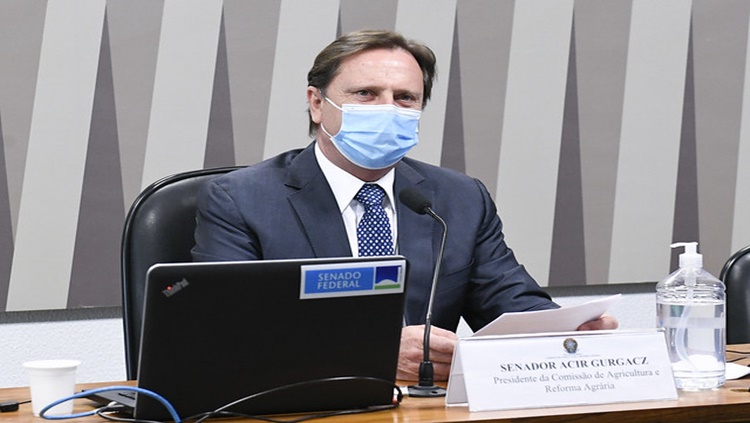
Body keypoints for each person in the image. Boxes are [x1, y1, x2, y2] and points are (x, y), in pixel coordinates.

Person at [192, 29, 618, 381]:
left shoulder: (458, 198)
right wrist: (372, 351)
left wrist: (567, 330)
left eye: (404, 98)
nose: (388, 109)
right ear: (317, 103)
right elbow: (225, 331)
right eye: (366, 94)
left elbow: (510, 303)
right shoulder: (241, 199)